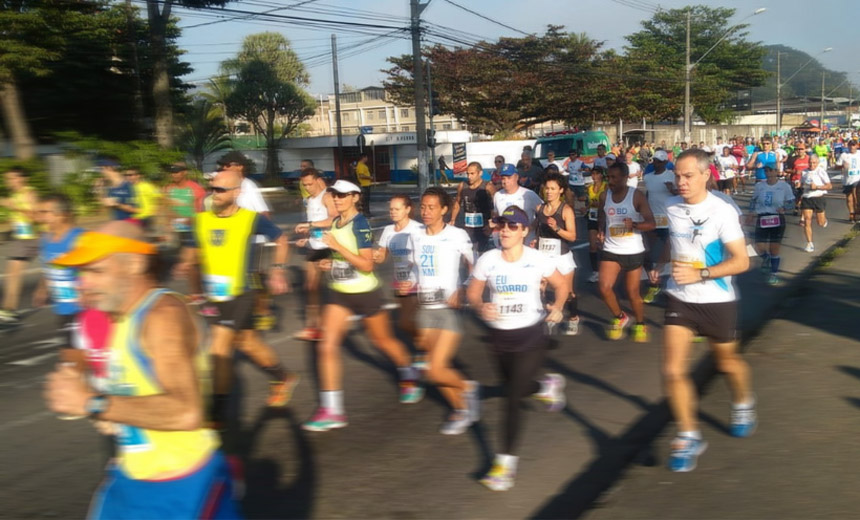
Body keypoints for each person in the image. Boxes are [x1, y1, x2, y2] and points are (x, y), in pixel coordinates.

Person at [44, 221, 240, 518]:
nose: (82, 283)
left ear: (135, 263)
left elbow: (186, 411)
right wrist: (111, 416)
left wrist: (92, 403)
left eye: (96, 271)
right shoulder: (123, 316)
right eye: (81, 273)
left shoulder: (162, 315)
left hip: (180, 488)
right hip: (133, 477)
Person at [175, 168, 298, 430]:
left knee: (218, 349)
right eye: (212, 189)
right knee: (247, 343)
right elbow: (192, 252)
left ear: (236, 192)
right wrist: (186, 266)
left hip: (242, 293)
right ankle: (283, 378)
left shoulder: (251, 219)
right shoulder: (200, 220)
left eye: (220, 190)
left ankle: (215, 415)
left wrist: (278, 270)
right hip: (214, 296)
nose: (214, 194)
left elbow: (281, 239)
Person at [660, 148, 754, 472]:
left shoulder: (722, 211)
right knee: (672, 371)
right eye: (677, 176)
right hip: (680, 298)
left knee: (726, 363)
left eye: (688, 176)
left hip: (717, 299)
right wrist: (660, 264)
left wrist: (701, 273)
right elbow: (674, 240)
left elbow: (742, 261)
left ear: (705, 175)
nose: (681, 182)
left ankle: (743, 402)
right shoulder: (672, 207)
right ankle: (689, 436)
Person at [303, 180, 422, 432]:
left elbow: (367, 265)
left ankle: (408, 373)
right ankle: (332, 410)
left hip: (365, 292)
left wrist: (336, 247)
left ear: (355, 197)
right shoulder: (336, 222)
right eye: (335, 195)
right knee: (326, 346)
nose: (337, 199)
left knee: (382, 341)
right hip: (339, 293)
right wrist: (329, 262)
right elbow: (341, 256)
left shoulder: (360, 224)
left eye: (343, 195)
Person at [467, 205, 568, 492]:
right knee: (515, 388)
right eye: (502, 225)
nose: (506, 231)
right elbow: (473, 293)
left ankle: (504, 465)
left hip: (531, 335)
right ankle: (545, 386)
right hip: (499, 337)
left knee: (511, 399)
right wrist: (480, 306)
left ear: (524, 231)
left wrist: (558, 307)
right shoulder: (488, 259)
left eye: (513, 226)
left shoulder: (537, 259)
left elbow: (561, 285)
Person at [409, 187, 479, 434]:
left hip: (449, 309)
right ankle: (462, 409)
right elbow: (416, 267)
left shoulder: (457, 235)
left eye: (431, 207)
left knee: (434, 369)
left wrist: (463, 288)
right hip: (425, 308)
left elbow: (475, 267)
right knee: (436, 367)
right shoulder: (416, 235)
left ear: (444, 209)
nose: (425, 211)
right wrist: (411, 282)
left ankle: (469, 389)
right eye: (423, 206)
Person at [597, 162, 656, 342]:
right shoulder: (604, 195)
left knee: (632, 293)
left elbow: (651, 223)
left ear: (624, 178)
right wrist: (600, 230)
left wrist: (635, 225)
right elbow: (601, 214)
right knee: (604, 288)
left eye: (614, 178)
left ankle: (640, 323)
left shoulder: (636, 196)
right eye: (608, 177)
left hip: (633, 251)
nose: (610, 181)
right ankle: (620, 316)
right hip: (611, 248)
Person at [216, 151, 274, 330]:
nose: (224, 168)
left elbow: (264, 213)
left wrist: (260, 231)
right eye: (222, 165)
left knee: (254, 277)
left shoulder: (249, 186)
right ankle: (238, 312)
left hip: (253, 241)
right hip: (234, 241)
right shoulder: (226, 186)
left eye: (228, 165)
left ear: (240, 166)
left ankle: (263, 312)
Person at [374, 194, 423, 367]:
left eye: (397, 209)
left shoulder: (418, 229)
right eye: (391, 209)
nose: (393, 212)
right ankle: (423, 348)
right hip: (398, 280)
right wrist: (375, 255)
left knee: (406, 321)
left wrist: (414, 278)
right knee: (406, 322)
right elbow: (382, 257)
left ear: (407, 209)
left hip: (416, 280)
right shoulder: (388, 230)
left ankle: (425, 349)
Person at [32, 193, 86, 346]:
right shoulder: (45, 240)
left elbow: (96, 270)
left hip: (83, 309)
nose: (41, 217)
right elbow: (48, 267)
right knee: (73, 352)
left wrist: (86, 293)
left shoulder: (80, 238)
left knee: (77, 354)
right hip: (62, 307)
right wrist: (42, 288)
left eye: (45, 212)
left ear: (61, 215)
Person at [293, 168, 338, 341]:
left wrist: (310, 225)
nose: (307, 188)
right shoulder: (309, 200)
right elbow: (315, 225)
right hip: (314, 246)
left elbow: (334, 219)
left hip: (328, 247)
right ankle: (314, 327)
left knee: (334, 287)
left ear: (318, 181)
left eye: (310, 184)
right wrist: (307, 238)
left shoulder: (327, 197)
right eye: (304, 185)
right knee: (311, 287)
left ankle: (332, 322)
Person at [533, 173, 581, 335]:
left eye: (553, 189)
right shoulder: (539, 209)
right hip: (543, 256)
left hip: (561, 257)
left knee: (567, 292)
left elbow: (572, 236)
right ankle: (548, 317)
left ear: (560, 190)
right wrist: (534, 241)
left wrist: (557, 228)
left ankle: (573, 317)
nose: (549, 192)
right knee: (540, 288)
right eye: (547, 188)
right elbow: (537, 229)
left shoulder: (566, 210)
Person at [0, 168, 39, 325]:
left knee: (14, 274)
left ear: (22, 179)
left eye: (12, 178)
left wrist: (14, 207)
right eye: (7, 179)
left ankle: (10, 309)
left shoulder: (29, 193)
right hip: (19, 238)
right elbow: (17, 219)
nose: (9, 181)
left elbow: (35, 216)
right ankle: (9, 308)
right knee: (11, 274)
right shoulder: (15, 195)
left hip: (29, 239)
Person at [747, 167, 794, 286]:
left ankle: (774, 273)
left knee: (774, 248)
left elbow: (791, 202)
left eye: (771, 171)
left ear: (776, 172)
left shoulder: (784, 186)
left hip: (777, 218)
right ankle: (766, 257)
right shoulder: (760, 186)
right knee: (759, 247)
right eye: (766, 171)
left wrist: (785, 208)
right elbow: (753, 200)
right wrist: (751, 213)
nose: (768, 173)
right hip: (763, 217)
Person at [642, 150, 677, 304]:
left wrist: (672, 190)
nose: (656, 163)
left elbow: (681, 196)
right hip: (653, 219)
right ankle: (653, 283)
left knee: (669, 255)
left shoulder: (672, 176)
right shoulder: (647, 177)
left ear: (665, 162)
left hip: (669, 220)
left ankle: (673, 285)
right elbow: (648, 195)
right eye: (655, 161)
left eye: (659, 161)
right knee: (645, 251)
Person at [492, 164, 543, 247]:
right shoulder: (498, 195)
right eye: (503, 178)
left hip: (527, 241)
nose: (505, 181)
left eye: (509, 178)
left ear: (516, 177)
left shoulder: (529, 194)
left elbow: (544, 212)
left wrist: (532, 227)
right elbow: (496, 215)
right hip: (508, 241)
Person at [450, 161, 495, 253]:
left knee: (482, 252)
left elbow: (494, 207)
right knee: (468, 251)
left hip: (484, 225)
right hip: (468, 225)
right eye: (468, 174)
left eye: (472, 173)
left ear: (480, 173)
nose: (469, 176)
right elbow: (457, 203)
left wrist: (492, 224)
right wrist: (453, 219)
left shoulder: (488, 186)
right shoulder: (463, 186)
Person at [800, 154, 832, 253]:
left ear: (817, 163)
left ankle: (824, 221)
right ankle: (809, 243)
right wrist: (799, 184)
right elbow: (802, 184)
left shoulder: (821, 171)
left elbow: (829, 186)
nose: (812, 165)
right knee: (807, 220)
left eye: (814, 163)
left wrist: (817, 187)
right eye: (810, 162)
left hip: (818, 198)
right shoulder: (804, 172)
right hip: (807, 198)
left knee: (820, 223)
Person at [584, 168, 607, 283]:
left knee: (604, 245)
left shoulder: (606, 186)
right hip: (592, 217)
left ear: (601, 175)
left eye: (597, 174)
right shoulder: (589, 188)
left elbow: (609, 201)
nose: (594, 176)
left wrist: (600, 204)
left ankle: (607, 270)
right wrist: (586, 208)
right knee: (593, 245)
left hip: (604, 218)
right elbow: (588, 202)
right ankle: (595, 272)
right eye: (592, 174)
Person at [836, 140, 860, 223]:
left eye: (853, 145)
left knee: (856, 197)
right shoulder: (844, 155)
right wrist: (842, 166)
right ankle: (851, 214)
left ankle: (857, 214)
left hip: (858, 179)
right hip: (848, 180)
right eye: (850, 145)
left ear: (857, 146)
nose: (852, 147)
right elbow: (836, 166)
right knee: (849, 199)